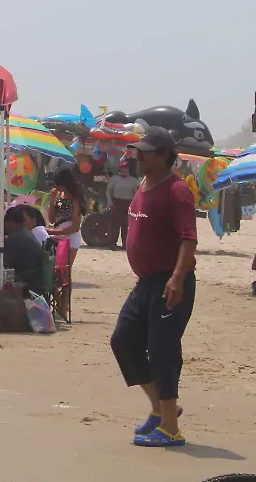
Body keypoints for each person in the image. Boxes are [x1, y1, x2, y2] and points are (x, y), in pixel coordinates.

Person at [110, 127, 197, 448]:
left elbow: (189, 239)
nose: (138, 156)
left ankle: (171, 429)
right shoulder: (142, 185)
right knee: (123, 342)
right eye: (137, 151)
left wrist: (176, 278)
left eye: (145, 151)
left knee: (162, 351)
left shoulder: (177, 191)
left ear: (163, 155)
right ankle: (160, 410)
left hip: (171, 281)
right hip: (145, 283)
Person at [3, 206, 46, 296]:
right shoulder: (26, 232)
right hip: (36, 278)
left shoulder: (14, 237)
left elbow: (4, 262)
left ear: (11, 223)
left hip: (26, 281)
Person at [46, 168, 85, 266]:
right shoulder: (59, 195)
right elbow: (52, 219)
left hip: (71, 239)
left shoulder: (75, 200)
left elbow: (75, 227)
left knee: (65, 271)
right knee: (55, 269)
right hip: (58, 236)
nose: (56, 187)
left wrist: (51, 232)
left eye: (58, 184)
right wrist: (51, 201)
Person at [106, 161, 139, 249]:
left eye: (126, 168)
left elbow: (135, 193)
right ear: (120, 168)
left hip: (128, 203)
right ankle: (113, 243)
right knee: (115, 224)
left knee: (126, 224)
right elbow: (109, 191)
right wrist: (110, 202)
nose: (125, 169)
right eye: (123, 168)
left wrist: (135, 205)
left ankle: (125, 243)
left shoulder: (133, 180)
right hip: (117, 203)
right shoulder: (114, 179)